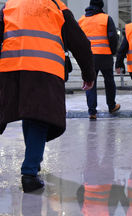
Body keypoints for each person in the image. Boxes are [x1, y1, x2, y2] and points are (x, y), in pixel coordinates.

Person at [0, 0, 96, 193]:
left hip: (11, 69)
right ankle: (29, 173)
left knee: (24, 115)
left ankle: (32, 168)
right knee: (37, 117)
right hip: (44, 70)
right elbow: (80, 43)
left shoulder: (10, 5)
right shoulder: (57, 7)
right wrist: (89, 74)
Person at [78, 0, 120, 121]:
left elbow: (78, 39)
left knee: (90, 82)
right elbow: (113, 37)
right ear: (101, 6)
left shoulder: (81, 20)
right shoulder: (106, 18)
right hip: (104, 55)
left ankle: (92, 112)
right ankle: (112, 106)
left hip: (88, 57)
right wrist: (112, 51)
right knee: (109, 81)